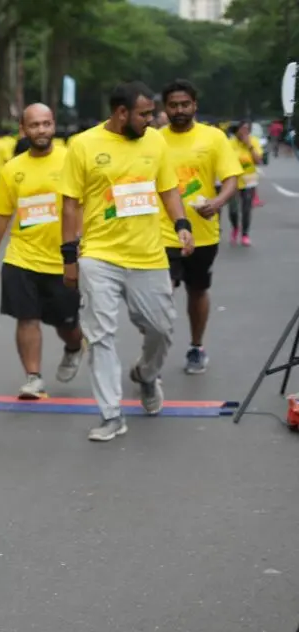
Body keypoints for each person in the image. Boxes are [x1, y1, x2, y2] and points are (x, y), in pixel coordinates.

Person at [60, 81, 195, 442]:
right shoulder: (84, 145)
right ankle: (111, 414)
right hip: (99, 257)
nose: (153, 119)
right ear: (121, 113)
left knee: (162, 329)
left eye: (153, 113)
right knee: (100, 336)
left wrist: (182, 224)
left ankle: (146, 375)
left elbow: (168, 188)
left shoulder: (155, 141)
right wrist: (69, 258)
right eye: (145, 114)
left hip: (149, 255)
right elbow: (70, 203)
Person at [0, 103, 85, 399]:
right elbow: (1, 215)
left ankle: (74, 345)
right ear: (23, 130)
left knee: (67, 324)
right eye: (35, 125)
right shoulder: (12, 169)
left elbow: (87, 205)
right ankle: (33, 377)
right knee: (26, 317)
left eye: (46, 124)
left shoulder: (71, 160)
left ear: (54, 126)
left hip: (64, 259)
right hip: (22, 256)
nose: (41, 130)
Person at [159, 79, 241, 375]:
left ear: (195, 106)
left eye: (185, 104)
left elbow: (231, 178)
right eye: (173, 105)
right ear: (164, 108)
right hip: (161, 233)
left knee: (197, 290)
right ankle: (154, 352)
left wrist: (217, 203)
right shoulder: (153, 139)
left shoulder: (214, 138)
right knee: (159, 294)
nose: (179, 110)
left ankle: (196, 346)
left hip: (202, 233)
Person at [227, 121, 262, 247]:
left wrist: (249, 146)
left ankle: (245, 234)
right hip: (233, 180)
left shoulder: (254, 142)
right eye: (242, 129)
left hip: (249, 180)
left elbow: (258, 161)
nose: (245, 132)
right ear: (237, 130)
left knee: (246, 209)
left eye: (247, 130)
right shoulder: (230, 143)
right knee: (233, 210)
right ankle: (235, 227)